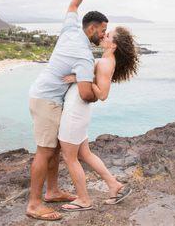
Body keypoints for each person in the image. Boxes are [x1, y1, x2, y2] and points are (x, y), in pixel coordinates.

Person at [26, 0, 107, 221]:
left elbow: (74, 4)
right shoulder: (84, 55)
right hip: (47, 100)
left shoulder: (71, 29)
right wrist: (99, 90)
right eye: (102, 31)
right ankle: (34, 204)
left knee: (55, 148)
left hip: (43, 95)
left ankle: (52, 191)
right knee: (44, 151)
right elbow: (85, 94)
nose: (104, 35)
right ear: (91, 29)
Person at [57, 25, 139, 212]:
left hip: (76, 110)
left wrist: (81, 79)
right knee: (84, 154)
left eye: (108, 35)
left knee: (70, 157)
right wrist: (82, 78)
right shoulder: (105, 60)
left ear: (114, 45)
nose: (104, 36)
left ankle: (84, 200)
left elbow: (102, 94)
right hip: (80, 110)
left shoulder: (104, 63)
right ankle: (114, 185)